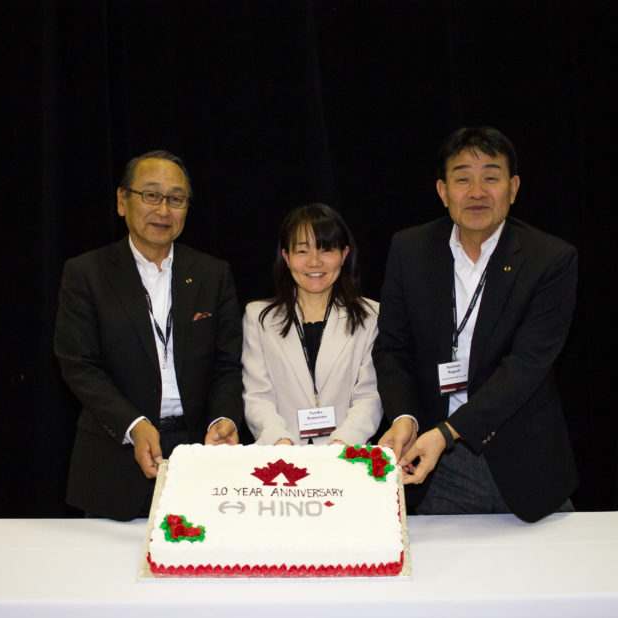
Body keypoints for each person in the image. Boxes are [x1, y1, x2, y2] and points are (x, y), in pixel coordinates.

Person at [373, 126, 578, 522]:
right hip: (432, 466)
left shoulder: (549, 259)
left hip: (521, 462)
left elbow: (527, 366)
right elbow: (392, 348)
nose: (477, 191)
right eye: (463, 178)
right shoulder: (410, 249)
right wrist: (404, 417)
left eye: (491, 177)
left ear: (513, 188)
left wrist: (448, 432)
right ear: (443, 191)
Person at [54, 150, 243, 520]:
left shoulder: (212, 274)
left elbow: (226, 363)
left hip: (198, 454)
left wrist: (223, 419)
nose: (163, 210)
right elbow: (80, 365)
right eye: (151, 195)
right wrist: (134, 425)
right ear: (122, 201)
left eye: (176, 199)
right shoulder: (86, 273)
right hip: (117, 457)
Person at [242, 203, 381, 446]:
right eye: (302, 251)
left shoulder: (371, 316)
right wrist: (280, 443)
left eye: (326, 250)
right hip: (282, 456)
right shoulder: (258, 318)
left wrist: (341, 446)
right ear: (286, 257)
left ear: (344, 254)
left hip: (346, 454)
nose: (314, 262)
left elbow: (369, 396)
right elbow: (257, 397)